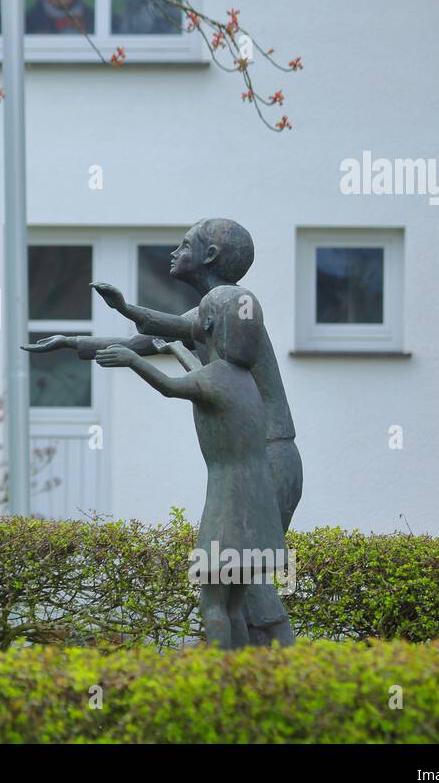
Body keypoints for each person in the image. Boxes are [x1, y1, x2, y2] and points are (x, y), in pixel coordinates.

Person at [23, 218, 300, 645]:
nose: (173, 252)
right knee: (237, 584)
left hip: (269, 456)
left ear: (208, 256)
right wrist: (69, 342)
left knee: (247, 576)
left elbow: (153, 336)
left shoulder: (232, 314)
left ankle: (286, 670)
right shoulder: (207, 317)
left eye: (184, 244)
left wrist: (123, 312)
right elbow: (138, 341)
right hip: (252, 459)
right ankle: (249, 677)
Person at [94, 286, 288, 650]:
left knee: (212, 603)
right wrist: (174, 349)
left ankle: (217, 680)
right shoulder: (242, 379)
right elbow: (201, 377)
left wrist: (131, 359)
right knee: (232, 604)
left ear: (210, 323)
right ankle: (242, 675)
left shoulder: (213, 379)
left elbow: (172, 387)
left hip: (229, 503)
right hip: (258, 510)